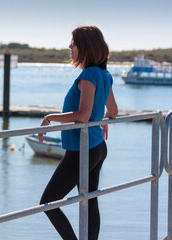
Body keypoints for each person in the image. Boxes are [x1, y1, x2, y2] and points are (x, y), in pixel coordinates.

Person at [38, 25, 118, 240]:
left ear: (85, 47)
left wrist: (51, 117)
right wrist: (100, 120)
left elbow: (83, 115)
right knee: (90, 198)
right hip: (98, 146)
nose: (69, 47)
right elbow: (113, 111)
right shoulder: (104, 74)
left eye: (73, 43)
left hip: (84, 149)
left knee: (48, 203)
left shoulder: (89, 74)